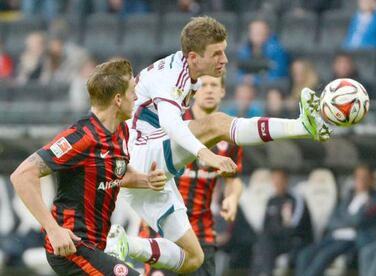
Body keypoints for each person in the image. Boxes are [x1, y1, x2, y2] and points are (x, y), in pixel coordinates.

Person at [105, 16, 331, 274]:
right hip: (138, 154)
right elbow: (170, 123)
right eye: (216, 53)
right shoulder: (171, 76)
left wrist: (232, 195)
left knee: (192, 257)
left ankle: (125, 244)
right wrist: (206, 154)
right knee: (217, 124)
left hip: (155, 175)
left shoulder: (189, 75)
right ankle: (303, 126)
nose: (224, 59)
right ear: (193, 57)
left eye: (223, 51)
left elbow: (229, 173)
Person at [10, 59, 167, 275]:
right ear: (118, 99)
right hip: (71, 246)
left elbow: (116, 173)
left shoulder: (121, 131)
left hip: (96, 246)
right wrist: (53, 229)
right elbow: (22, 175)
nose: (137, 97)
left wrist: (146, 180)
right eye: (133, 91)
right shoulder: (81, 137)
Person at [144, 74, 244, 276]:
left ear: (222, 91)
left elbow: (234, 179)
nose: (209, 90)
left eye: (214, 85)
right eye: (204, 85)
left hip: (203, 232)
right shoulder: (173, 126)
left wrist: (232, 197)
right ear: (195, 91)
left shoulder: (229, 136)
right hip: (166, 230)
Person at [295, 164, 376, 276]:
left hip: (354, 239)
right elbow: (331, 220)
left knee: (323, 256)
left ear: (371, 180)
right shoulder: (347, 198)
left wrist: (344, 220)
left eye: (364, 177)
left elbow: (358, 220)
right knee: (304, 255)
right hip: (334, 236)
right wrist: (347, 221)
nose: (360, 180)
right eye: (357, 177)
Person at [250, 168, 313, 276]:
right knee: (261, 246)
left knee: (265, 245)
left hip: (296, 240)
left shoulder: (296, 199)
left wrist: (277, 232)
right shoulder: (272, 200)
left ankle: (266, 273)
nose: (277, 183)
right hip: (276, 241)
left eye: (279, 180)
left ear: (286, 180)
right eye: (274, 180)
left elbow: (295, 226)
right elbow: (265, 225)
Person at [237, 19, 289, 86]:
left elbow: (278, 74)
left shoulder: (278, 50)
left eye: (260, 32)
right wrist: (243, 79)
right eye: (254, 33)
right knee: (243, 90)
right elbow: (240, 72)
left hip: (273, 86)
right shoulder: (244, 50)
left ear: (267, 33)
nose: (257, 36)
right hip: (250, 85)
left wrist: (255, 79)